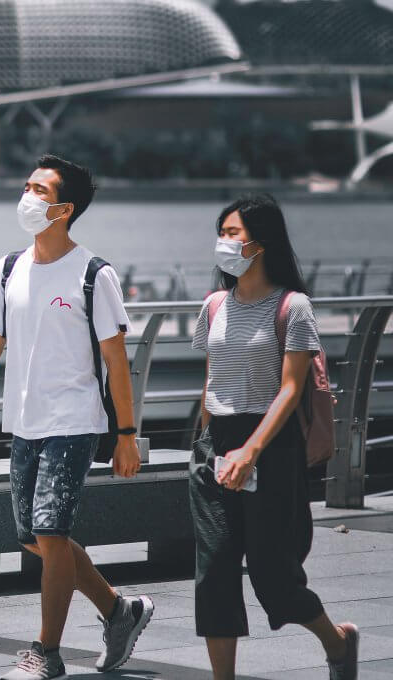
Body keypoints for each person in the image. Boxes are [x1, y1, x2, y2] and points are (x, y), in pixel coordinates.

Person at [0, 154, 153, 680]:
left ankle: (46, 654)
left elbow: (117, 362)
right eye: (27, 185)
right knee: (33, 537)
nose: (27, 197)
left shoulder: (94, 275)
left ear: (64, 209)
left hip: (74, 421)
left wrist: (126, 435)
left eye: (40, 190)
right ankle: (120, 611)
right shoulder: (9, 268)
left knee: (51, 534)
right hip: (24, 422)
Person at [189, 194, 359, 680]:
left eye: (233, 233)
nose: (223, 242)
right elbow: (212, 379)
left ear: (261, 243)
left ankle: (337, 640)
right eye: (220, 232)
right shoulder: (214, 305)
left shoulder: (293, 307)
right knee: (215, 572)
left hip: (268, 445)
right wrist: (205, 445)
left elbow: (291, 389)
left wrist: (251, 450)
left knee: (274, 576)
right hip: (215, 446)